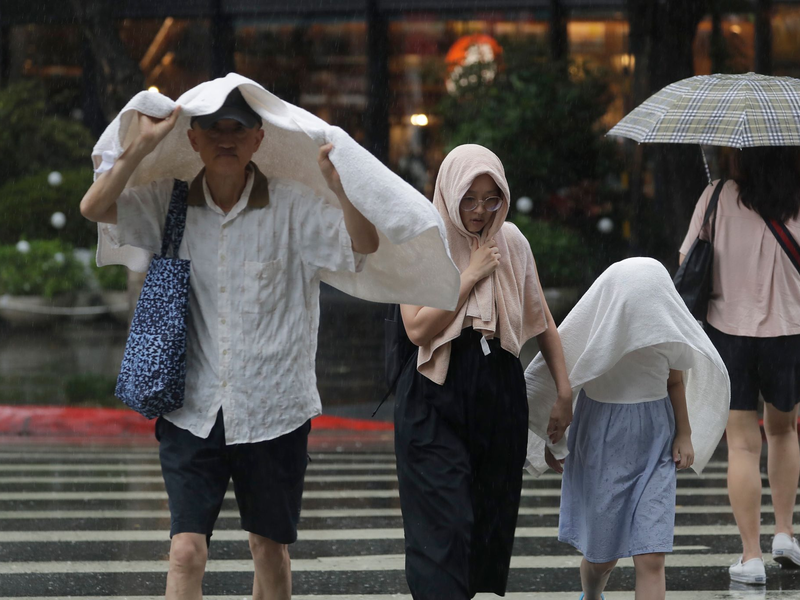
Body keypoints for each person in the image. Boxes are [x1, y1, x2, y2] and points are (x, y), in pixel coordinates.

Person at [80, 88, 379, 600]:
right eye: (213, 129)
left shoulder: (292, 205)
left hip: (274, 409)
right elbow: (94, 207)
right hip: (191, 407)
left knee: (269, 551)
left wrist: (341, 188)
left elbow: (364, 244)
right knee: (185, 552)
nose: (225, 139)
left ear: (258, 139)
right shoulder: (169, 203)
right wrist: (138, 148)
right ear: (193, 139)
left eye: (238, 129)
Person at [393, 144, 573, 599]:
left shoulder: (511, 242)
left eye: (491, 199)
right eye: (469, 199)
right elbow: (417, 329)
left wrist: (564, 391)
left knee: (489, 523)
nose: (479, 211)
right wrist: (469, 275)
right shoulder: (421, 240)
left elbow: (542, 320)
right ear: (450, 193)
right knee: (444, 523)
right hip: (436, 387)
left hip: (499, 390)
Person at [526, 258, 730, 600]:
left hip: (655, 445)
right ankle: (592, 593)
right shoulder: (597, 333)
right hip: (599, 442)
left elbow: (675, 383)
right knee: (601, 557)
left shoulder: (668, 334)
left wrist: (684, 433)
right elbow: (563, 384)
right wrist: (554, 441)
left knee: (652, 556)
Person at [679, 147, 800, 585]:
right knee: (784, 430)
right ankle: (785, 532)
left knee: (744, 445)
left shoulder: (716, 196)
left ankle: (751, 556)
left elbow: (687, 258)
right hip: (790, 331)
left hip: (729, 332)